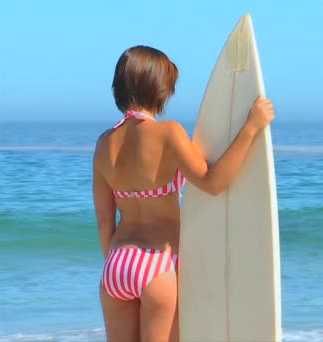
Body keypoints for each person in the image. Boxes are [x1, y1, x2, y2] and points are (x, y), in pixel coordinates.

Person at [92, 45, 274, 342]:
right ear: (160, 89)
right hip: (158, 265)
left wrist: (115, 262)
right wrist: (251, 128)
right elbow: (213, 182)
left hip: (117, 265)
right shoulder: (169, 134)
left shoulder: (104, 144)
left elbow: (103, 219)